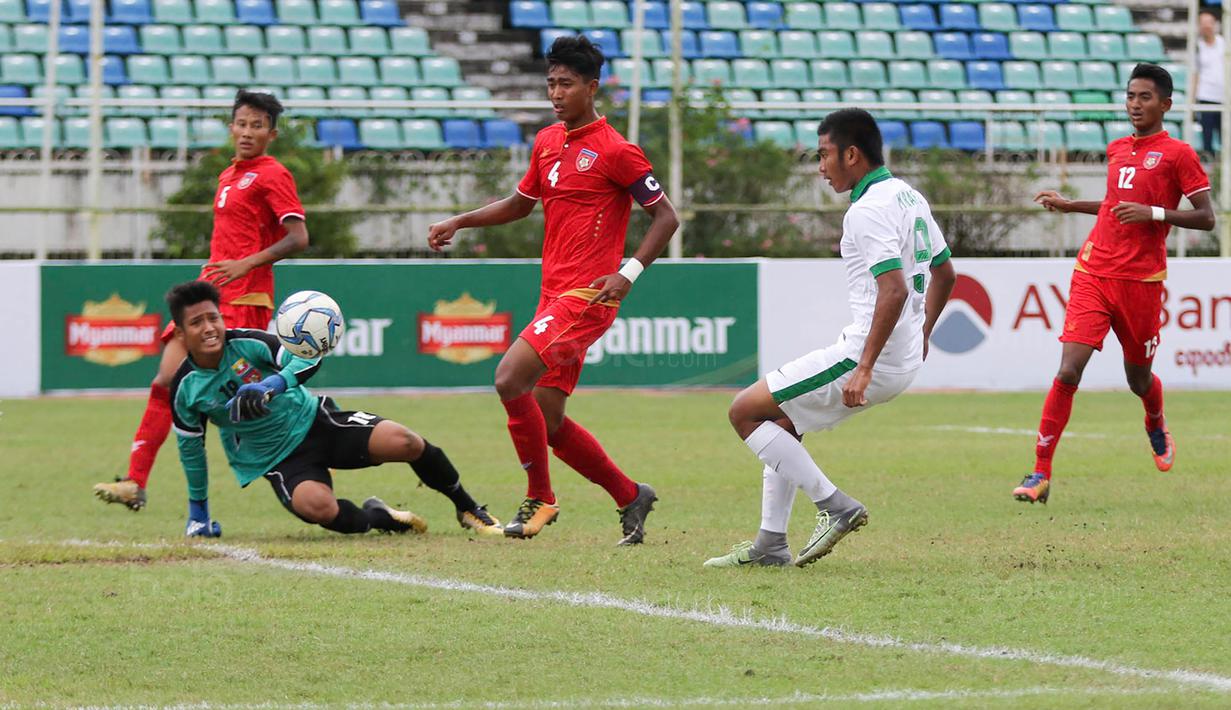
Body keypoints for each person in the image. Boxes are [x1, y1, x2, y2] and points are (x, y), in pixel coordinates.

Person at [426, 36, 680, 544]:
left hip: (586, 297)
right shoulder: (547, 142)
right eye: (551, 83)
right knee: (548, 416)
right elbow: (521, 204)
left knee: (507, 378)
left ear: (592, 86)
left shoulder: (616, 150)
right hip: (553, 295)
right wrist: (462, 220)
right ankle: (630, 494)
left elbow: (666, 217)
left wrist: (626, 273)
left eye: (566, 83)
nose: (556, 93)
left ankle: (541, 497)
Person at [704, 108, 956, 568]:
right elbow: (945, 273)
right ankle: (770, 544)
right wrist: (924, 333)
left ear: (852, 154)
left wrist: (863, 366)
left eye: (824, 155)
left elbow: (895, 287)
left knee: (743, 412)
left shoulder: (867, 210)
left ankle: (833, 505)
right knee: (783, 426)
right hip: (899, 361)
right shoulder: (908, 196)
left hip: (865, 358)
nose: (820, 167)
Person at [94, 90, 310, 512]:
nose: (248, 132)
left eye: (257, 125)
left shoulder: (272, 174)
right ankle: (135, 482)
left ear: (272, 133)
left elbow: (299, 237)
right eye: (242, 123)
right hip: (210, 295)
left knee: (245, 401)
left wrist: (245, 264)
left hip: (244, 296)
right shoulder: (228, 175)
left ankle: (314, 452)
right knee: (165, 384)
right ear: (231, 127)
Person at [1016, 64, 1215, 505]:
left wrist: (1156, 213)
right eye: (1130, 96)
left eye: (1145, 97)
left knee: (1138, 378)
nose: (1135, 104)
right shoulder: (1117, 148)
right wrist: (1071, 206)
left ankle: (1155, 419)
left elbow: (1207, 217)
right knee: (1069, 369)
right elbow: (1114, 205)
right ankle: (1039, 473)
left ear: (1165, 104)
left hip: (1141, 282)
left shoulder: (1179, 154)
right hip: (1093, 271)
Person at [163, 280, 503, 537]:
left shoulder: (248, 343)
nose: (209, 328)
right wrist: (198, 514)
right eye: (197, 323)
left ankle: (468, 508)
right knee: (320, 508)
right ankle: (381, 517)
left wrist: (271, 385)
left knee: (407, 442)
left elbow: (307, 360)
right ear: (180, 333)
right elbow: (191, 451)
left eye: (214, 318)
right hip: (277, 460)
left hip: (316, 421)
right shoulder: (184, 388)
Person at [1195, 9, 1224, 156]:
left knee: (1225, 133)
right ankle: (1209, 163)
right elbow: (1196, 73)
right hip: (1205, 95)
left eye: (1209, 23)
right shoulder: (1197, 47)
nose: (1207, 26)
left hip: (1224, 96)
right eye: (1203, 23)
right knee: (1207, 133)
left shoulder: (1224, 44)